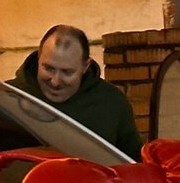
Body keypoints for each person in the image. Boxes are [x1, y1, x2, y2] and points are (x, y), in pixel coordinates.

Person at [9, 24, 143, 158]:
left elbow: (133, 163)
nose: (55, 81)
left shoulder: (112, 103)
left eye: (67, 72)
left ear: (85, 66)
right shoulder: (6, 96)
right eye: (48, 69)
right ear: (39, 57)